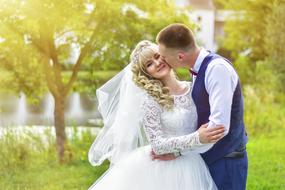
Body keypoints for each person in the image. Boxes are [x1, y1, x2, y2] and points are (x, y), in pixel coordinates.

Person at [88, 40, 225, 190]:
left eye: (157, 56)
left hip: (193, 162)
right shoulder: (151, 101)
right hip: (162, 168)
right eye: (149, 64)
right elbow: (157, 146)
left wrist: (188, 147)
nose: (157, 63)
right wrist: (197, 138)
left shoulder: (194, 88)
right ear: (147, 73)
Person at [155, 23, 248, 190]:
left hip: (226, 161)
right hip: (211, 158)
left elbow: (218, 128)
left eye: (164, 56)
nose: (162, 61)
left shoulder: (217, 70)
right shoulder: (198, 69)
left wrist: (179, 152)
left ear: (180, 57)